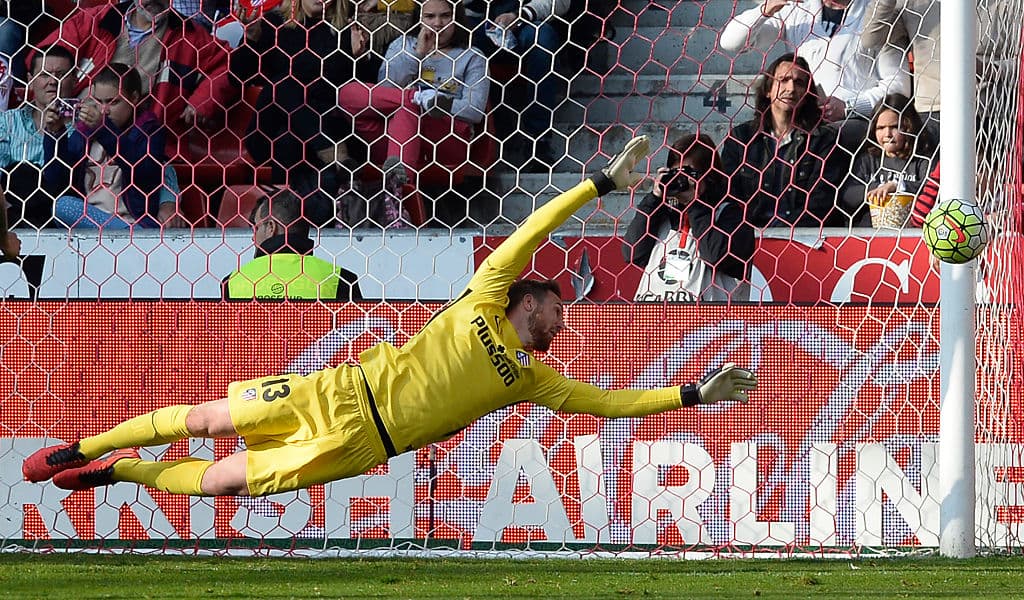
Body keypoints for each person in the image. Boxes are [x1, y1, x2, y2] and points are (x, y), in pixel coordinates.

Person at [22, 135, 759, 497]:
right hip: (338, 391)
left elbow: (611, 404)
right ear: (528, 300)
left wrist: (694, 392)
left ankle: (122, 473)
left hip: (362, 444)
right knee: (208, 422)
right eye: (557, 313)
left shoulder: (530, 379)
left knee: (221, 485)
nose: (563, 327)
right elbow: (533, 227)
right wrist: (598, 183)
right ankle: (80, 443)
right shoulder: (486, 289)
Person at [337, 0, 488, 227]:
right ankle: (415, 99)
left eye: (445, 16)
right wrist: (417, 55)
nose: (438, 24)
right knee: (347, 93)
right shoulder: (402, 46)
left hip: (445, 137)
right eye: (430, 17)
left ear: (456, 18)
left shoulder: (472, 57)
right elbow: (383, 93)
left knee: (409, 109)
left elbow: (475, 109)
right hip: (392, 137)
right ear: (419, 18)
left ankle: (398, 195)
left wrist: (435, 105)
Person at [231, 0, 361, 226]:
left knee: (289, 141)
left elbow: (353, 91)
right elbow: (237, 78)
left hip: (318, 127)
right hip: (269, 131)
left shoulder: (345, 31)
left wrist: (359, 56)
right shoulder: (272, 24)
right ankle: (330, 152)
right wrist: (250, 38)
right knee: (284, 85)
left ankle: (287, 224)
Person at [719, 0, 910, 151]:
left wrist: (848, 107)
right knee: (747, 139)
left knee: (823, 140)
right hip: (801, 121)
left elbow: (898, 87)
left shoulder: (878, 12)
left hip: (854, 124)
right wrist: (765, 9)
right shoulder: (797, 10)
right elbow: (731, 43)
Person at [36, 0, 236, 137]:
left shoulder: (190, 35)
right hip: (79, 132)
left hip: (144, 141)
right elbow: (42, 58)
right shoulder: (95, 21)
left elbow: (231, 64)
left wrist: (202, 100)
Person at [719, 53, 849, 229]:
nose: (791, 88)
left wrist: (782, 232)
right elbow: (728, 194)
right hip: (751, 237)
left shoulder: (823, 139)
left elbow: (822, 202)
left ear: (807, 93)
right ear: (768, 89)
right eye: (783, 80)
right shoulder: (741, 138)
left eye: (799, 82)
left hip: (803, 237)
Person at [622, 132, 754, 302]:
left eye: (689, 175)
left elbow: (715, 256)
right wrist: (654, 198)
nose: (681, 181)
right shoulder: (662, 213)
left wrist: (696, 204)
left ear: (710, 176)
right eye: (676, 174)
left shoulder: (732, 215)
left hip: (709, 325)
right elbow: (632, 253)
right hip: (656, 323)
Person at [52, 63, 186, 229]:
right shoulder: (84, 133)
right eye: (98, 102)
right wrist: (55, 135)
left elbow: (145, 173)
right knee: (62, 206)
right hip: (89, 226)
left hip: (135, 225)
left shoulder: (149, 131)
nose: (104, 110)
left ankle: (128, 237)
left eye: (112, 102)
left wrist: (104, 130)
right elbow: (56, 181)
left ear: (134, 98)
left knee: (64, 206)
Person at [464, 0, 570, 170]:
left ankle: (537, 140)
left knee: (542, 38)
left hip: (524, 23)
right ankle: (467, 140)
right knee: (453, 38)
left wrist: (519, 15)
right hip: (472, 24)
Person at [222, 189, 363, 301]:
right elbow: (355, 334)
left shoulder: (233, 281)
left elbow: (225, 335)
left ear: (271, 227)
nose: (253, 238)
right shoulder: (341, 279)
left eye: (256, 228)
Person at [0, 45, 77, 229]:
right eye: (44, 74)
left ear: (75, 80)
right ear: (30, 80)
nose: (52, 81)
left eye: (60, 74)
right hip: (10, 212)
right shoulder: (8, 121)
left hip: (57, 217)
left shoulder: (82, 127)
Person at [839, 94, 935, 227]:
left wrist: (898, 186)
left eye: (895, 126)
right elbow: (847, 195)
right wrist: (877, 189)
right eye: (880, 128)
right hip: (869, 232)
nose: (887, 134)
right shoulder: (868, 159)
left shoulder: (922, 158)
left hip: (910, 231)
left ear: (909, 126)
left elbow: (931, 191)